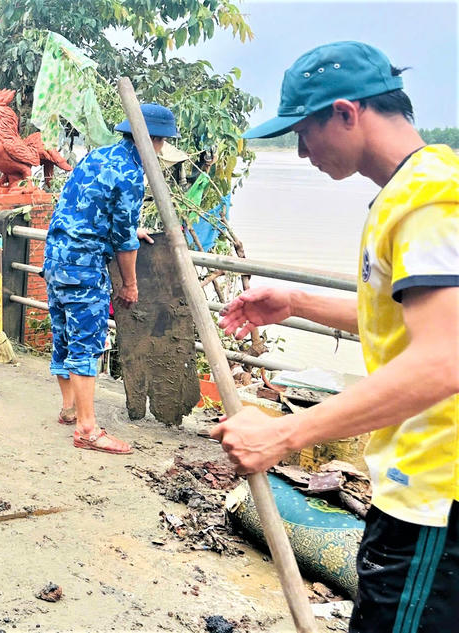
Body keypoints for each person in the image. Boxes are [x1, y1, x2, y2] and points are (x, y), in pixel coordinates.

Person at [211, 41, 459, 633]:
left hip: (433, 499)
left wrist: (284, 433)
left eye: (304, 131)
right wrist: (296, 301)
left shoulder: (427, 201)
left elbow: (442, 360)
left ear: (347, 113)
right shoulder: (411, 191)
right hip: (414, 491)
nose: (301, 150)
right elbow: (404, 323)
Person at [41, 104, 174, 456]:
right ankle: (87, 428)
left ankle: (69, 408)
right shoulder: (131, 174)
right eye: (160, 144)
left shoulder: (96, 156)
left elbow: (88, 207)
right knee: (87, 342)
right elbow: (125, 242)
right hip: (84, 266)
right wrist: (129, 284)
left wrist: (130, 228)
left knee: (64, 333)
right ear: (154, 141)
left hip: (56, 256)